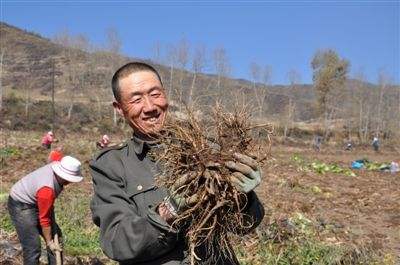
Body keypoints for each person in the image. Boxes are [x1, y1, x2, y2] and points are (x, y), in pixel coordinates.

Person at [90, 62, 264, 265]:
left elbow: (243, 227)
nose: (150, 107)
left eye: (155, 94)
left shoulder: (205, 149)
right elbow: (117, 242)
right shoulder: (111, 165)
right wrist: (167, 212)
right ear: (119, 108)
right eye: (136, 99)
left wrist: (244, 198)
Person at [7, 156, 83, 265]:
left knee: (58, 240)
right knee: (33, 246)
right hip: (21, 204)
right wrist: (49, 242)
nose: (70, 182)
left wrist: (52, 241)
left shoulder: (57, 167)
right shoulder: (47, 190)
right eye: (69, 179)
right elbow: (44, 220)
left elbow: (55, 154)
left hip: (36, 199)